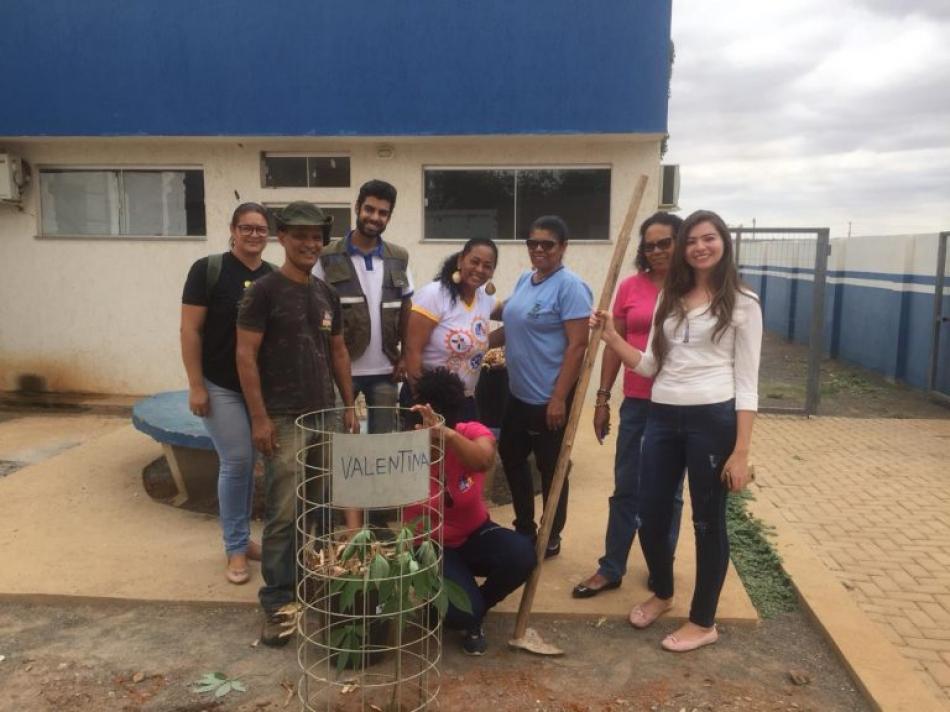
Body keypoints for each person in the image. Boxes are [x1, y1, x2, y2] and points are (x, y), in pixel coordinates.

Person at [590, 209, 762, 652]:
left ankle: (704, 621)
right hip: (662, 416)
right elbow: (649, 365)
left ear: (724, 243)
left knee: (707, 522)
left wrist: (740, 451)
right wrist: (611, 336)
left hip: (713, 419)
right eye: (692, 241)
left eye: (709, 238)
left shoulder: (743, 302)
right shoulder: (671, 297)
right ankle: (663, 593)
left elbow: (747, 384)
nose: (700, 247)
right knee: (650, 512)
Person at [236, 201, 360, 647]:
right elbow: (245, 356)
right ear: (282, 238)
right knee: (284, 512)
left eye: (316, 237)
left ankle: (319, 583)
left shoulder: (326, 294)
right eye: (300, 235)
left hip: (325, 413)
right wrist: (259, 417)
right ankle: (277, 601)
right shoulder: (263, 291)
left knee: (322, 505)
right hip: (283, 418)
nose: (310, 244)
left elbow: (340, 353)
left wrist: (349, 404)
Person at [573, 212, 685, 599]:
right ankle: (612, 567)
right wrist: (603, 398)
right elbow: (613, 344)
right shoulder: (630, 288)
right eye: (649, 245)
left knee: (668, 494)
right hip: (637, 403)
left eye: (664, 243)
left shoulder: (693, 289)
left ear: (681, 242)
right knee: (627, 488)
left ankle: (661, 568)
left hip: (679, 406)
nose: (655, 251)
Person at [408, 368, 536, 655]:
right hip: (429, 544)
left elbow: (484, 460)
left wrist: (448, 436)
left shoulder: (469, 433)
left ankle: (470, 605)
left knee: (523, 554)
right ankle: (465, 611)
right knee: (462, 614)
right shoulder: (404, 446)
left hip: (474, 533)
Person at [180, 202, 274, 585]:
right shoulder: (208, 271)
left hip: (261, 389)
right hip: (221, 386)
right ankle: (235, 548)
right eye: (247, 227)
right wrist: (196, 384)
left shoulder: (272, 277)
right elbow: (190, 330)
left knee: (253, 464)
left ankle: (246, 541)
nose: (254, 235)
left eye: (261, 229)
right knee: (236, 462)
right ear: (233, 230)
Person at [492, 216, 593, 559]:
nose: (538, 249)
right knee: (511, 456)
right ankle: (524, 526)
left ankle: (550, 533)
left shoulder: (570, 287)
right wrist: (474, 340)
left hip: (548, 399)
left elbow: (579, 345)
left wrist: (559, 398)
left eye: (547, 244)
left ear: (563, 247)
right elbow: (509, 323)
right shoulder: (525, 279)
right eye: (532, 243)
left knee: (552, 468)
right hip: (518, 394)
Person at [313, 179, 413, 435]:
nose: (375, 217)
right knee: (336, 442)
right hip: (340, 371)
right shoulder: (327, 257)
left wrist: (405, 355)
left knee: (381, 446)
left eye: (383, 213)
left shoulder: (399, 257)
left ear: (389, 217)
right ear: (357, 207)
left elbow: (406, 308)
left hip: (385, 371)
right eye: (369, 209)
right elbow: (314, 311)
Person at [402, 238, 498, 421]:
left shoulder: (485, 299)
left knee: (465, 448)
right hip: (429, 402)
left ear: (492, 272)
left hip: (465, 401)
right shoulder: (435, 294)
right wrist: (421, 401)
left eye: (487, 266)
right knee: (430, 450)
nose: (479, 269)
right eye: (474, 262)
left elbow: (515, 315)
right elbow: (412, 350)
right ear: (461, 260)